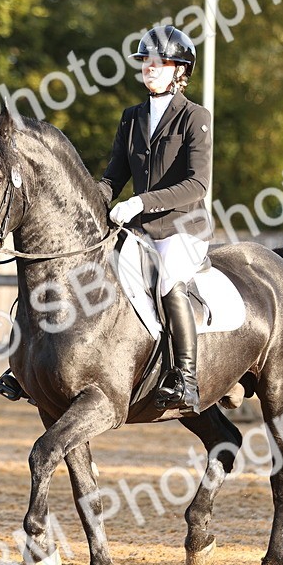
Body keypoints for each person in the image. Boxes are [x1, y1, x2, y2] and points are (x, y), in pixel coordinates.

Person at [98, 25, 213, 413]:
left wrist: (141, 202)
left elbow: (197, 184)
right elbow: (114, 175)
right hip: (140, 229)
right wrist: (95, 197)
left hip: (183, 228)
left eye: (158, 61)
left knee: (167, 277)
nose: (149, 67)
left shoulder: (195, 117)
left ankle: (187, 378)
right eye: (145, 60)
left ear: (180, 70)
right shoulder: (132, 117)